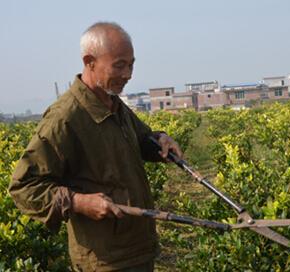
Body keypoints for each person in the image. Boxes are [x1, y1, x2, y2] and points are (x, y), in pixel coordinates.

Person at [8, 22, 183, 271]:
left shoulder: (112, 103)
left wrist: (160, 141)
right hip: (105, 260)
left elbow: (141, 139)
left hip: (138, 248)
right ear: (90, 61)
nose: (128, 74)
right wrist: (79, 202)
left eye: (131, 64)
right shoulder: (65, 118)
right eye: (119, 65)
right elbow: (24, 187)